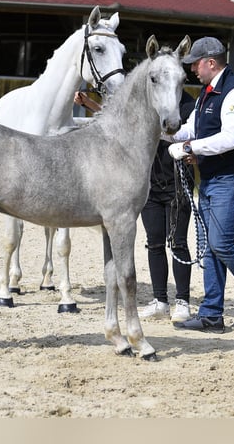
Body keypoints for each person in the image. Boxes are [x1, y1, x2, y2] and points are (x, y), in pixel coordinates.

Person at [166, 36, 234, 333]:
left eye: (195, 64)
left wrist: (190, 149)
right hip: (212, 179)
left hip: (233, 178)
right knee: (211, 247)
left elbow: (230, 138)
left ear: (211, 63)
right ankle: (212, 313)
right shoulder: (206, 94)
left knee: (221, 243)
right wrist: (163, 134)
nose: (192, 71)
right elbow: (190, 129)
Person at [74, 88, 196, 323]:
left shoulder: (189, 106)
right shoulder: (152, 102)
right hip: (150, 184)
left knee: (178, 242)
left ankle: (182, 302)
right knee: (154, 243)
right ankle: (160, 301)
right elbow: (125, 122)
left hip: (177, 184)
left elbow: (182, 135)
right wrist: (91, 104)